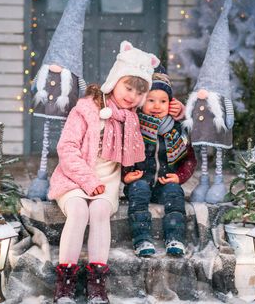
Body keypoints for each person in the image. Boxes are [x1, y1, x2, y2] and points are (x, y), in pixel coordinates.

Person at [48, 40, 169, 304]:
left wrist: (178, 110)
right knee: (80, 210)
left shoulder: (132, 118)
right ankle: (66, 282)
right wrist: (87, 181)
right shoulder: (87, 108)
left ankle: (97, 282)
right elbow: (67, 149)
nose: (132, 96)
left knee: (100, 210)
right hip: (74, 176)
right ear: (115, 79)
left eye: (140, 92)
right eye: (128, 87)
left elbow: (162, 116)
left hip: (107, 180)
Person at [123, 65, 197, 257]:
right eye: (151, 100)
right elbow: (122, 153)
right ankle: (142, 239)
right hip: (140, 182)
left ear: (171, 104)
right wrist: (126, 175)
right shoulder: (134, 125)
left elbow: (189, 159)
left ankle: (175, 237)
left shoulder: (176, 129)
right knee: (139, 191)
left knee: (175, 193)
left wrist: (178, 177)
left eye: (163, 101)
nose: (157, 106)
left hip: (164, 183)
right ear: (141, 102)